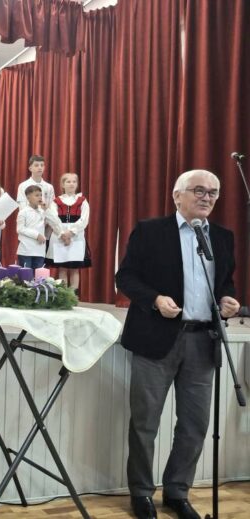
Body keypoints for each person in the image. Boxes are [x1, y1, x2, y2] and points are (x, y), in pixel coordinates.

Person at [115, 170, 240, 519]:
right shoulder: (151, 231)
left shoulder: (222, 236)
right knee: (145, 423)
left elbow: (225, 282)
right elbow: (125, 277)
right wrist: (155, 299)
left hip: (203, 341)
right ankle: (141, 493)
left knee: (195, 424)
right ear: (177, 195)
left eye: (213, 192)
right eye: (199, 190)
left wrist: (227, 299)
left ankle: (177, 491)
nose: (206, 197)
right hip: (156, 339)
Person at [45, 173, 92, 291]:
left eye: (74, 182)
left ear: (77, 184)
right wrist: (62, 234)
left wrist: (71, 233)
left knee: (75, 268)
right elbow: (53, 219)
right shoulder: (56, 201)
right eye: (68, 182)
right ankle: (64, 294)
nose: (71, 184)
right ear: (63, 184)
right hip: (59, 236)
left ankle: (73, 295)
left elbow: (84, 220)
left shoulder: (82, 201)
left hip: (76, 237)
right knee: (62, 268)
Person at [16, 185, 46, 269]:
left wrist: (46, 210)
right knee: (25, 275)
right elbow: (20, 229)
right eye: (36, 195)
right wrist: (37, 235)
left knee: (39, 276)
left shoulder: (43, 212)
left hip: (39, 251)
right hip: (26, 251)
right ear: (28, 197)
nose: (40, 197)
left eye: (41, 195)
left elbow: (53, 221)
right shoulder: (23, 212)